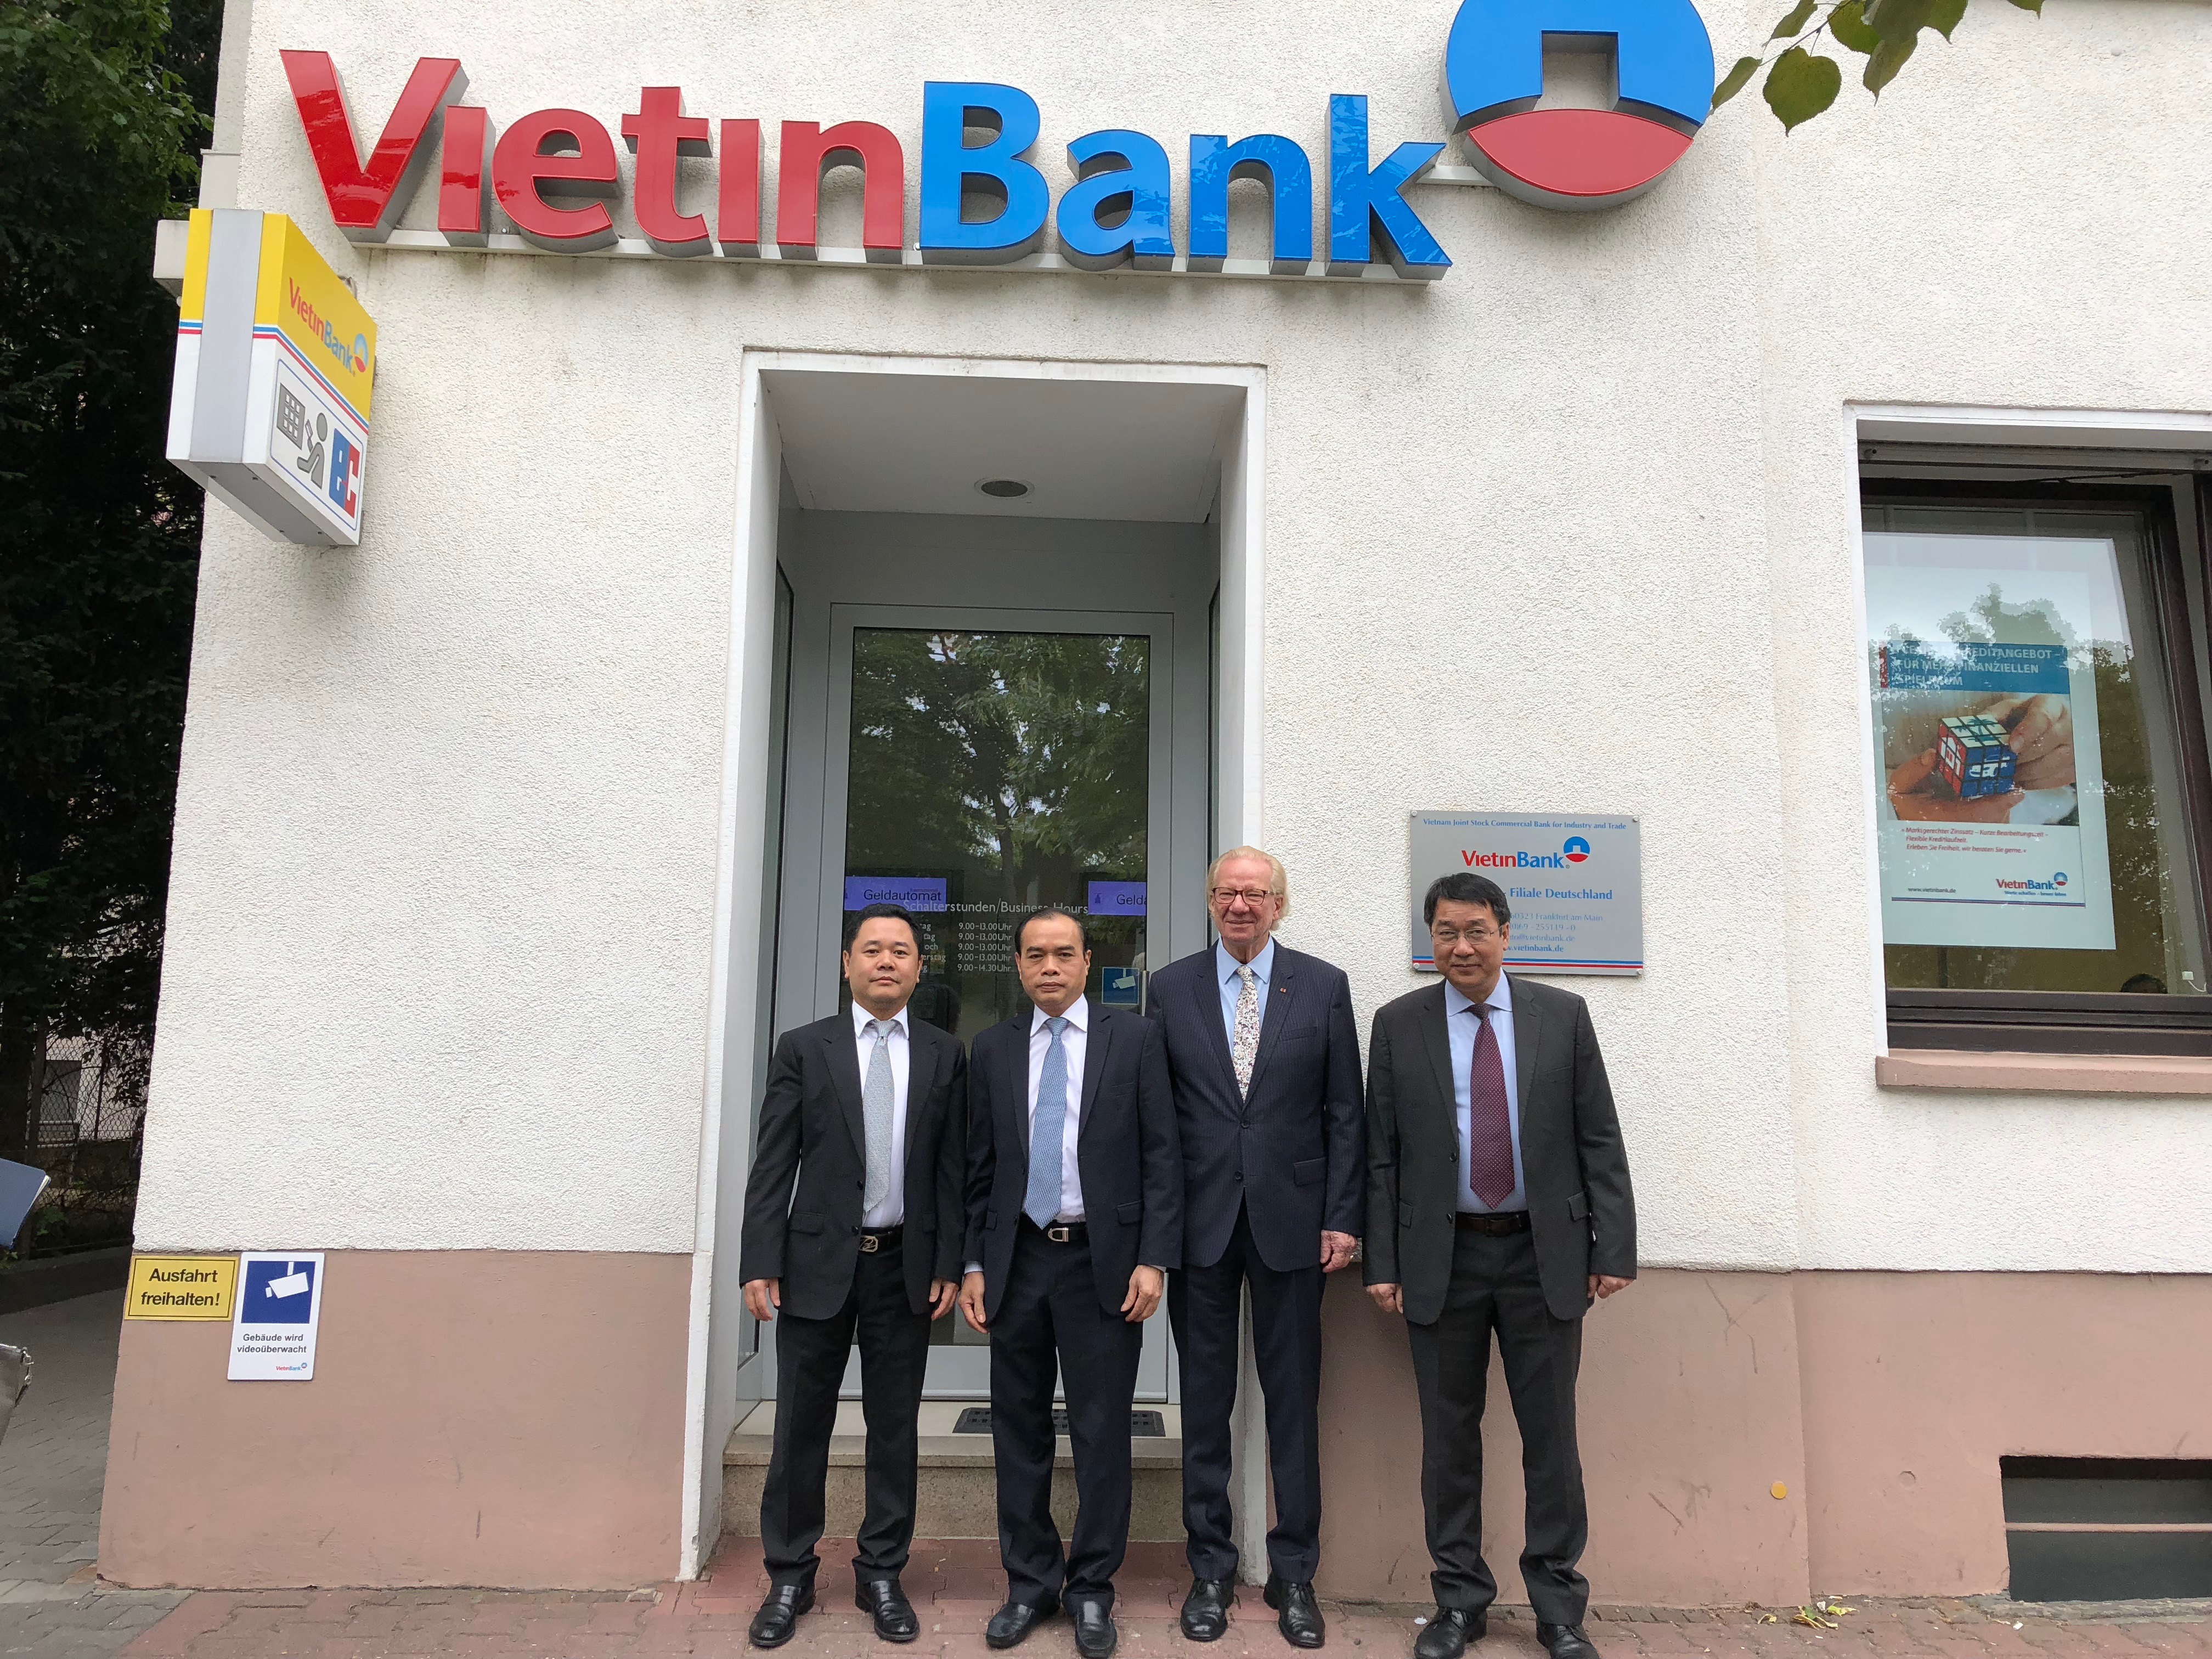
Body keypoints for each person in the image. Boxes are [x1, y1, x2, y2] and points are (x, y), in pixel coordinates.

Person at [1363, 872, 1636, 1659]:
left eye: (1476, 930)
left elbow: (1599, 1137)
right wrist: (1382, 1260)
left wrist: (1612, 1247)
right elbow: (1381, 1156)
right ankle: (1459, 1603)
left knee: (1551, 1438)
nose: (1462, 947)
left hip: (1541, 1256)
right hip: (1439, 1258)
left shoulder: (1563, 1015)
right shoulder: (1398, 1024)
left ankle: (1558, 1608)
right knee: (1449, 1440)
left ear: (1506, 934)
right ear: (1431, 940)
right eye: (1446, 932)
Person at [1143, 848, 1362, 1647]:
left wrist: (1343, 1216)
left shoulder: (1323, 986)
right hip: (1200, 1226)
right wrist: (1156, 1232)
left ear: (1280, 905)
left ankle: (1295, 1574)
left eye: (1256, 894)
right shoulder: (1170, 988)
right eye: (1227, 893)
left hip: (1295, 1225)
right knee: (1205, 1405)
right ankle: (1210, 1569)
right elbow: (1155, 1117)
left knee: (1293, 1402)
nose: (1241, 905)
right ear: (1210, 901)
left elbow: (1346, 1111)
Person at [737, 902, 969, 1647]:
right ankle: (789, 1576)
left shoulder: (945, 1054)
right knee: (799, 1426)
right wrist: (760, 1260)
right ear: (847, 964)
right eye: (872, 949)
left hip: (905, 1267)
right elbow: (774, 1162)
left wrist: (948, 1260)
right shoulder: (805, 1048)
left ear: (919, 968)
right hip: (814, 1268)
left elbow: (953, 1170)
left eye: (901, 950)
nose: (886, 961)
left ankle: (881, 1573)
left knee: (894, 1429)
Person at [958, 908, 1182, 1659]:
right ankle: (1029, 1583)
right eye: (1035, 955)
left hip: (1103, 1263)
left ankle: (1091, 1589)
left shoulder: (1136, 1040)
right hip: (1018, 1260)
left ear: (1088, 963)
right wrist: (974, 1264)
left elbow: (1163, 1156)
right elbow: (980, 1167)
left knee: (1101, 1430)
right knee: (1017, 1427)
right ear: (1019, 966)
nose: (1049, 967)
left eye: (1063, 954)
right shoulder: (993, 1048)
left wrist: (1154, 1258)